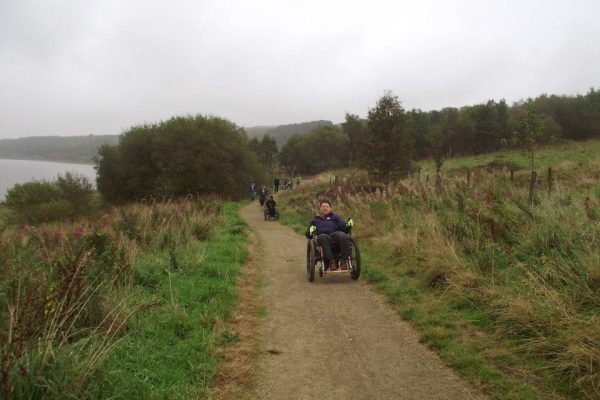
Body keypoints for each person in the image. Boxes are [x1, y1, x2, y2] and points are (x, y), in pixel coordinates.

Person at [305, 200, 354, 270]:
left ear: (330, 208)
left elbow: (344, 229)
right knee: (323, 237)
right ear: (320, 209)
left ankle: (344, 260)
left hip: (335, 236)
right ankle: (331, 262)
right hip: (322, 238)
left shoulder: (335, 217)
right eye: (323, 206)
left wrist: (348, 226)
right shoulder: (314, 220)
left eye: (327, 206)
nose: (325, 208)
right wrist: (311, 231)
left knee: (343, 235)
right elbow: (308, 235)